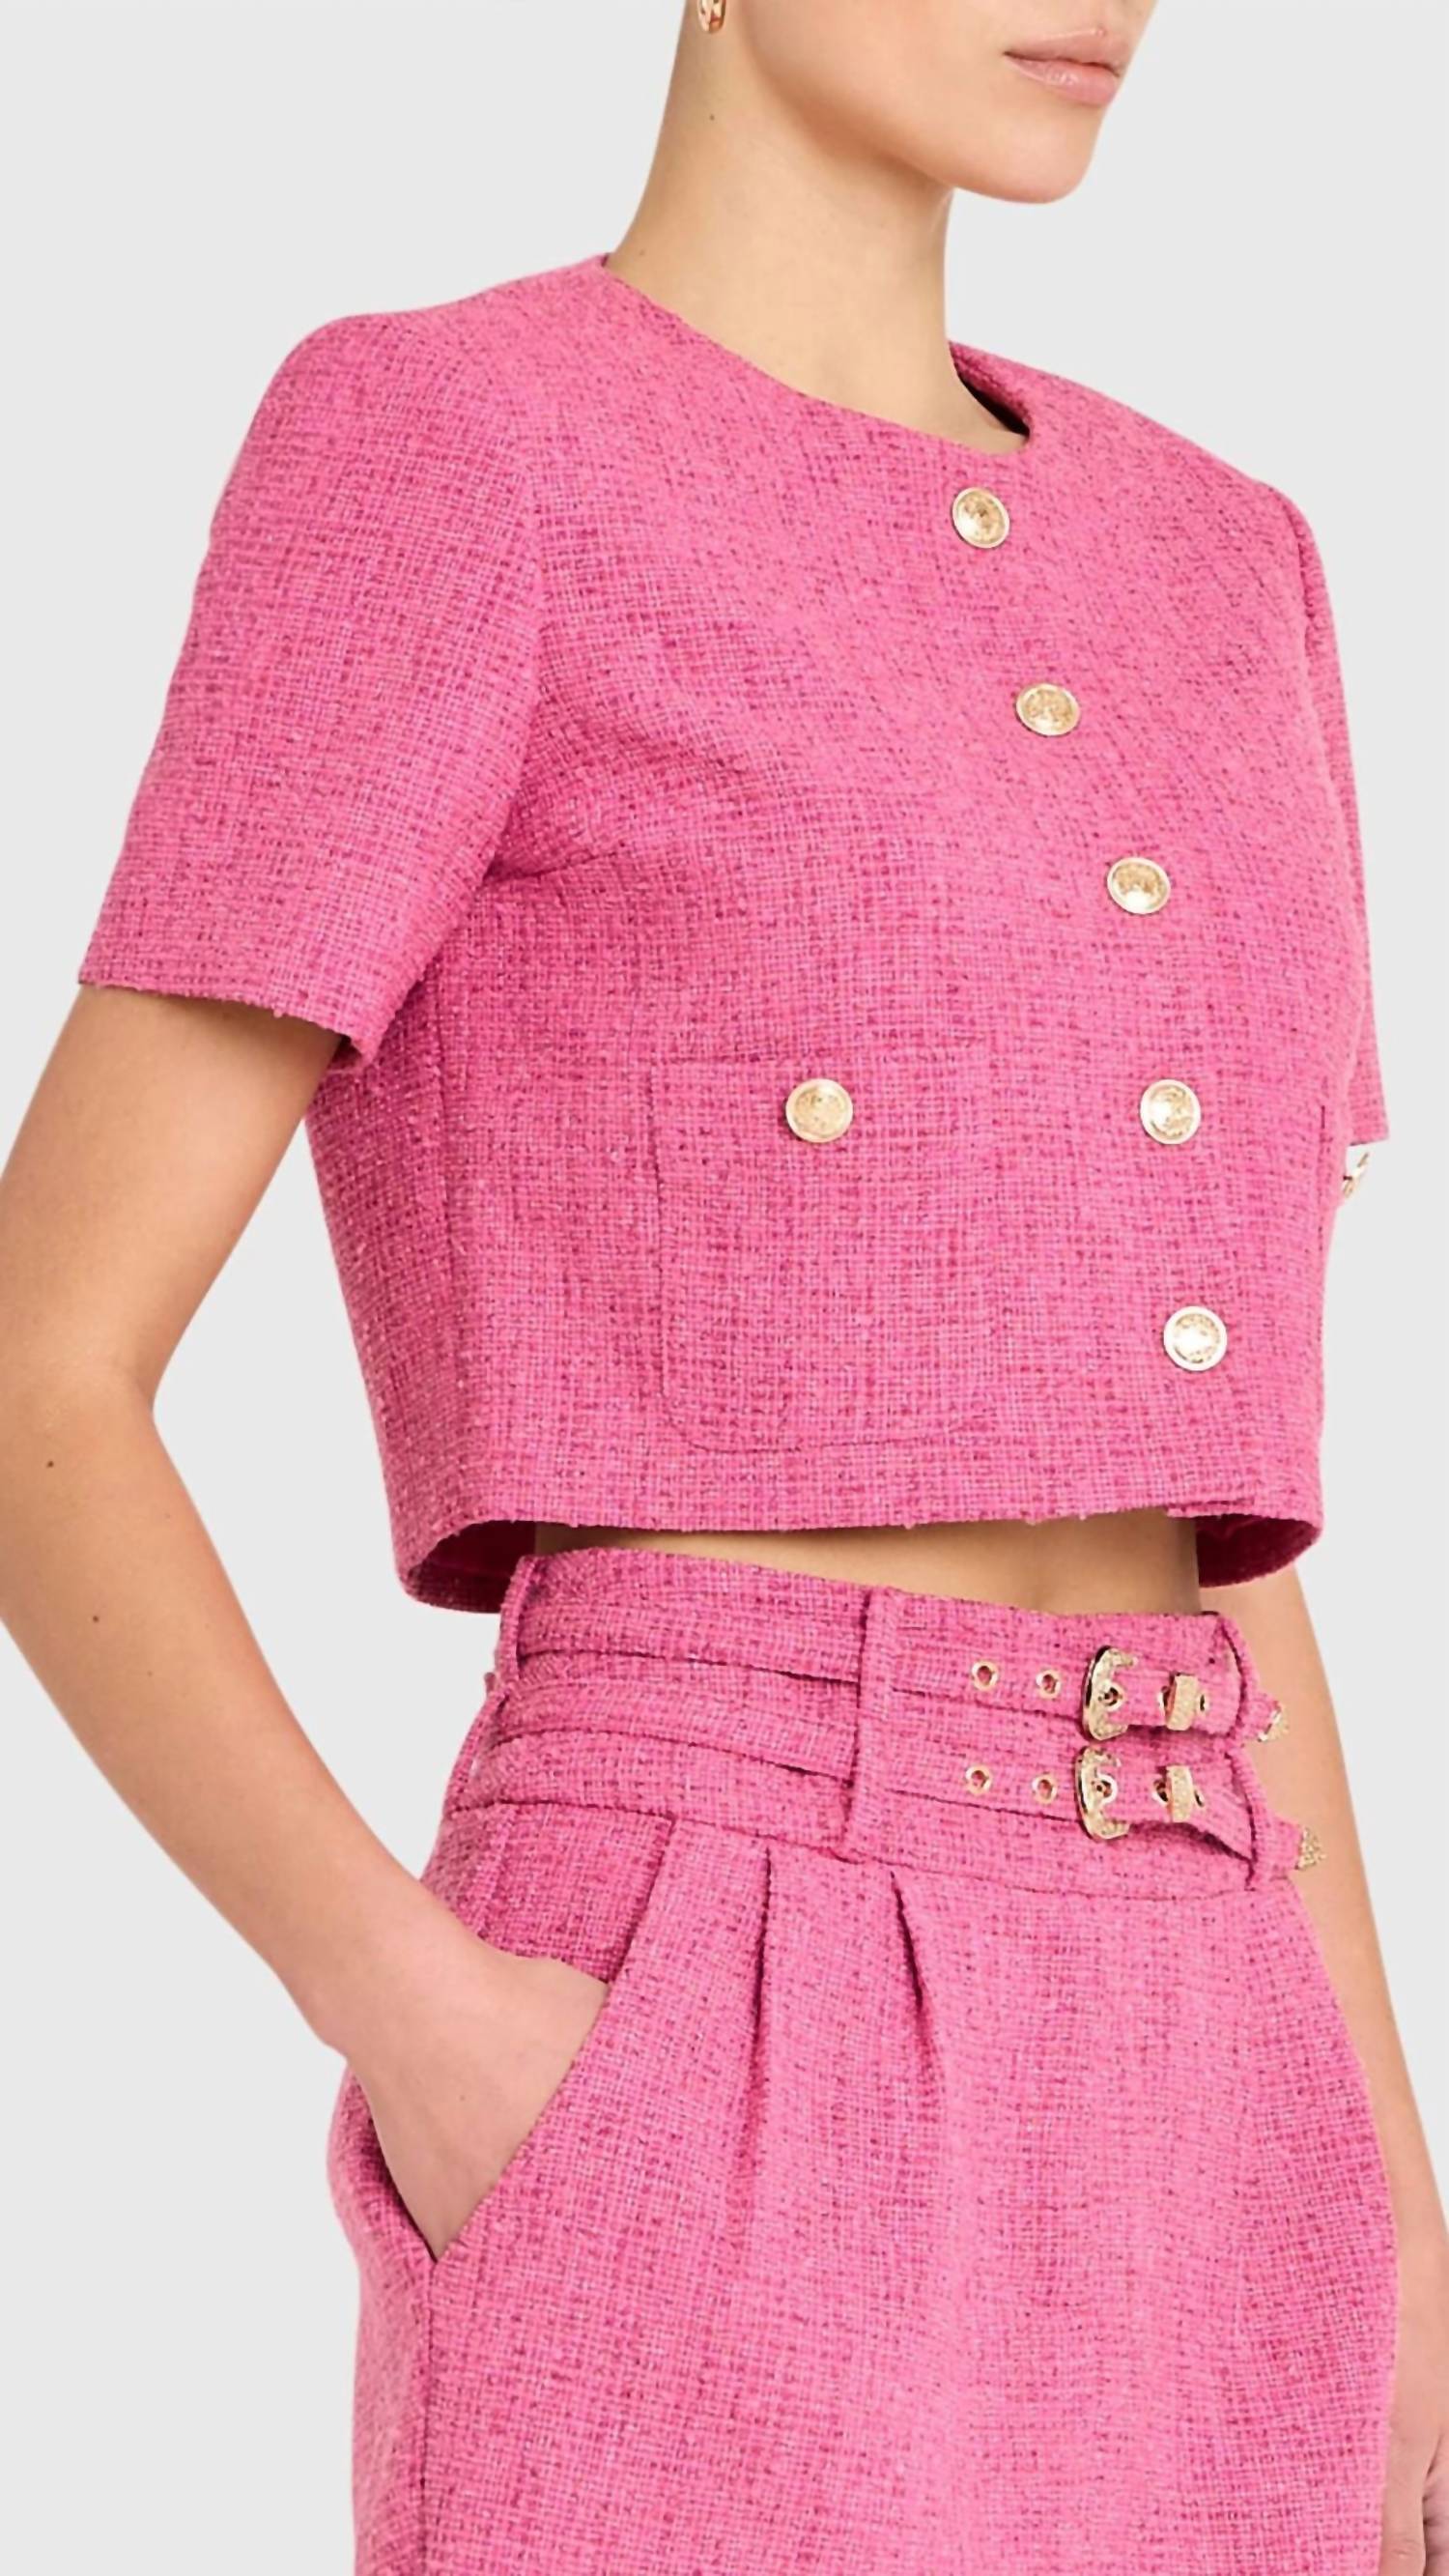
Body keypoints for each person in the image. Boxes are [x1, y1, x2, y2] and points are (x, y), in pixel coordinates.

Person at [1, 1, 1443, 2567]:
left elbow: (1208, 1509)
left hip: (1229, 2041)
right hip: (706, 1989)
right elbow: (43, 1358)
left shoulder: (1232, 559)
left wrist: (1397, 2199)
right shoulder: (454, 446)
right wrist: (420, 2020)